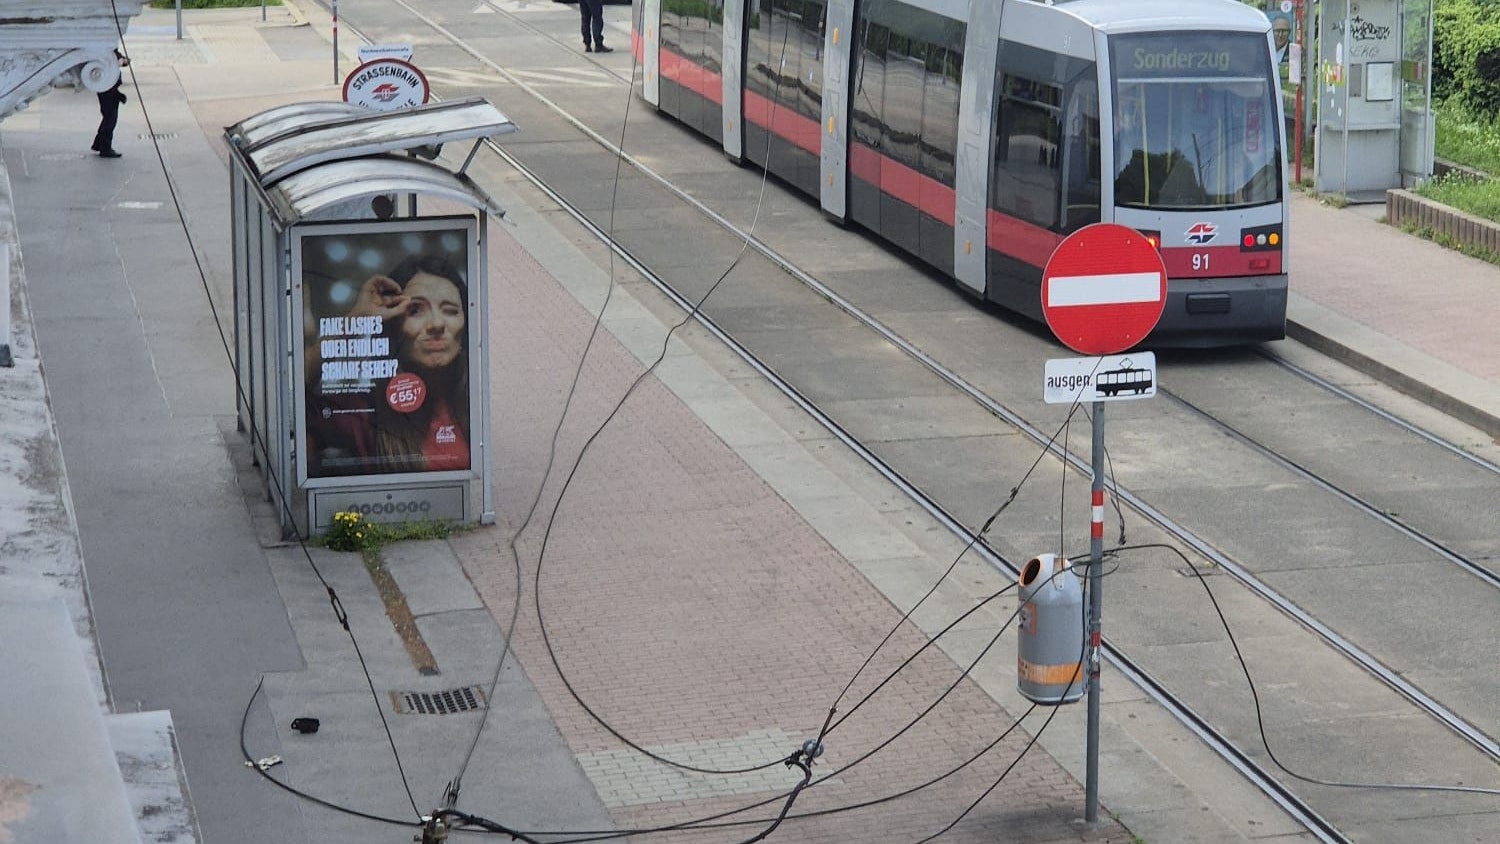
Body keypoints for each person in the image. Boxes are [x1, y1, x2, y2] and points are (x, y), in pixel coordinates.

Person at [307, 255, 471, 476]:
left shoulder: (471, 404)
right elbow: (297, 386)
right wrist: (357, 319)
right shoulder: (363, 413)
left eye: (450, 310)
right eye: (415, 310)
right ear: (394, 326)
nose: (437, 324)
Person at [92, 49, 130, 158]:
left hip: (110, 86)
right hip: (107, 86)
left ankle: (99, 144)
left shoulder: (110, 49)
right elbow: (115, 60)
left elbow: (119, 58)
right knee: (110, 118)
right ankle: (105, 147)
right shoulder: (105, 51)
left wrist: (123, 60)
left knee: (108, 116)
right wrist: (120, 61)